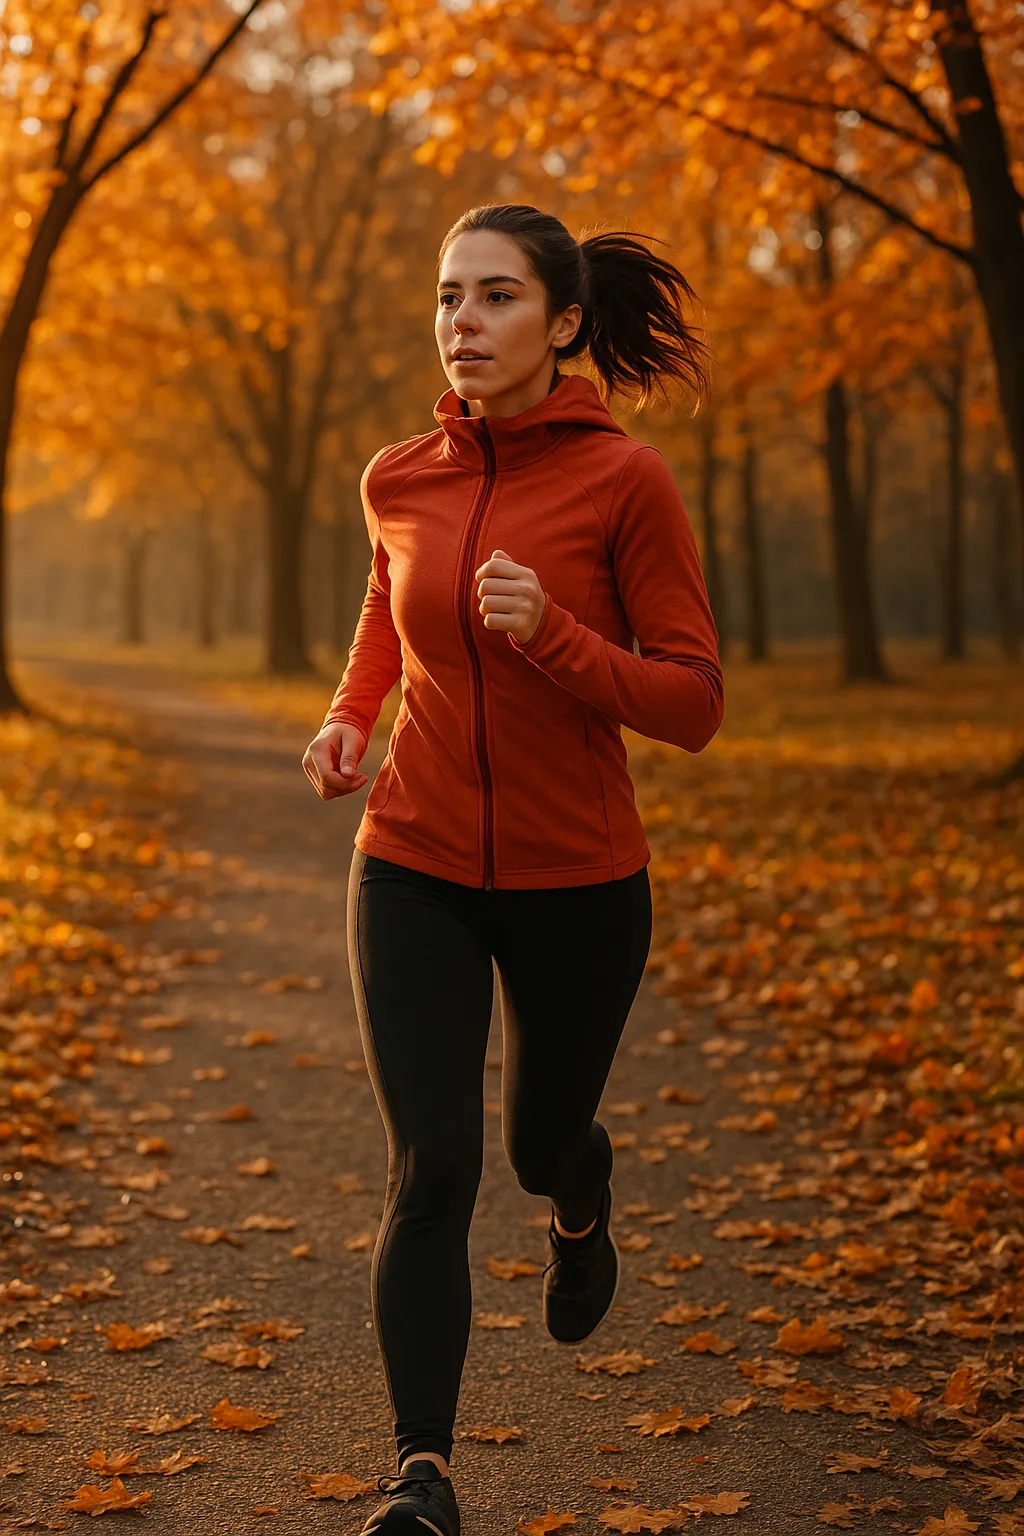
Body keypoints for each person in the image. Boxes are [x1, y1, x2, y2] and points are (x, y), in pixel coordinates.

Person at [302, 202, 724, 1535]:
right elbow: (389, 597)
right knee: (432, 1164)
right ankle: (422, 1476)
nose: (462, 325)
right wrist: (351, 715)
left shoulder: (626, 484)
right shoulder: (400, 474)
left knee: (541, 1145)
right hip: (413, 859)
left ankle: (584, 1196)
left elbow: (694, 702)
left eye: (493, 299)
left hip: (578, 879)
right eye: (447, 299)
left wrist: (555, 638)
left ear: (562, 324)